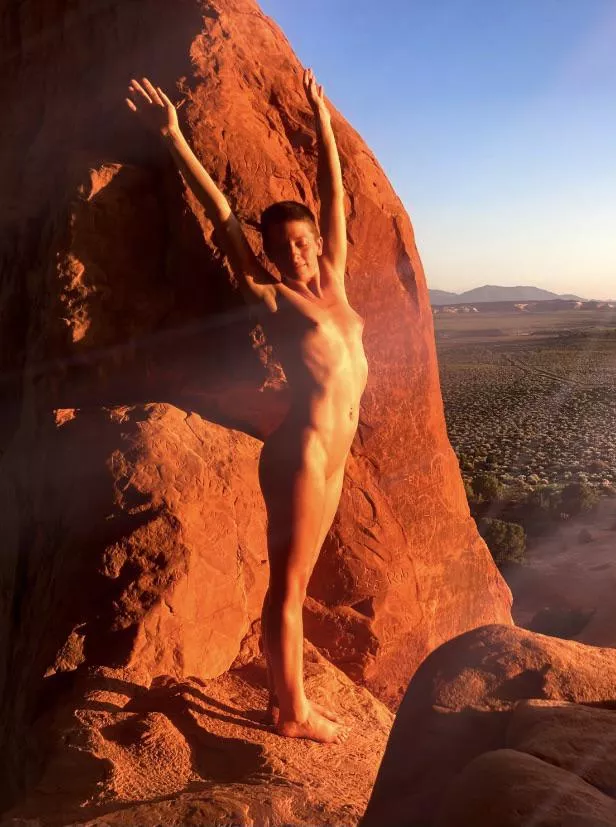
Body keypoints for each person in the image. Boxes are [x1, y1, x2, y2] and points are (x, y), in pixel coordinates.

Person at [126, 71, 368, 743]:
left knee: (297, 578)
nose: (293, 252)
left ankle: (283, 696)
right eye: (280, 245)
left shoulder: (337, 287)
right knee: (288, 587)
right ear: (269, 254)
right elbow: (226, 222)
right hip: (301, 453)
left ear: (314, 242)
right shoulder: (272, 298)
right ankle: (291, 712)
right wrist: (175, 136)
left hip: (334, 460)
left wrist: (322, 123)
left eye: (301, 241)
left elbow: (335, 198)